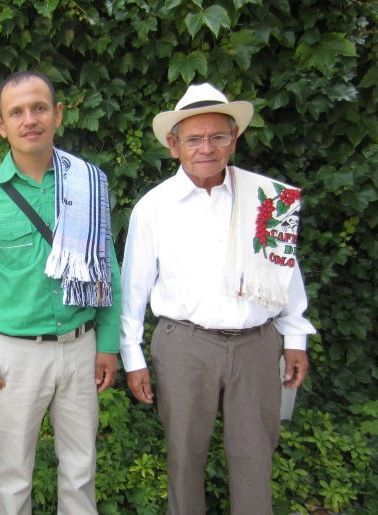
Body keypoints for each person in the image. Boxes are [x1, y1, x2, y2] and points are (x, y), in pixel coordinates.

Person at [120, 82, 316, 514]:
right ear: (174, 145)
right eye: (194, 138)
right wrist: (132, 356)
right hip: (185, 345)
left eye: (217, 136)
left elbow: (285, 270)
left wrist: (295, 336)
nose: (206, 148)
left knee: (255, 456)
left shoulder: (267, 200)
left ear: (234, 140)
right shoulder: (153, 207)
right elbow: (132, 287)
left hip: (256, 345)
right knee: (184, 457)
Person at [0, 71, 122, 514]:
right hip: (15, 356)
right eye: (17, 112)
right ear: (0, 124)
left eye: (39, 108)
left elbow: (106, 268)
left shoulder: (87, 183)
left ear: (58, 115)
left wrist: (107, 343)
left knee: (81, 470)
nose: (30, 119)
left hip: (81, 347)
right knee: (14, 475)